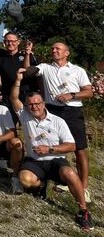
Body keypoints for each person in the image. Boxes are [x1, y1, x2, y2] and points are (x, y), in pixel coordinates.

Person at [11, 70, 93, 231]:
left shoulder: (58, 121)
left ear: (43, 103)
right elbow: (14, 98)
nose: (34, 107)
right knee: (25, 180)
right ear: (27, 106)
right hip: (35, 161)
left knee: (70, 173)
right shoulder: (25, 115)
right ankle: (41, 184)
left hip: (56, 160)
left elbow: (71, 146)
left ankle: (83, 210)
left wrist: (49, 149)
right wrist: (18, 80)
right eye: (30, 104)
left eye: (38, 103)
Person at [25, 42, 94, 203]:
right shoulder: (45, 67)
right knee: (49, 146)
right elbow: (28, 72)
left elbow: (89, 92)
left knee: (79, 149)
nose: (54, 50)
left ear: (66, 53)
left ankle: (84, 188)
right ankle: (47, 181)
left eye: (58, 48)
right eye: (52, 49)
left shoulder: (77, 70)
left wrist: (72, 95)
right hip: (52, 110)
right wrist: (27, 53)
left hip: (72, 111)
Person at [0, 32, 37, 119]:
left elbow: (29, 72)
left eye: (13, 41)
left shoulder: (27, 55)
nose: (10, 43)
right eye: (7, 41)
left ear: (18, 42)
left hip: (26, 94)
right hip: (8, 96)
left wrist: (27, 54)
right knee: (9, 123)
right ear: (4, 42)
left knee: (30, 122)